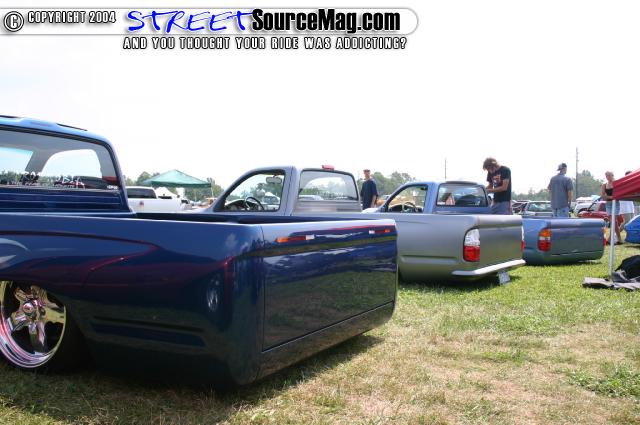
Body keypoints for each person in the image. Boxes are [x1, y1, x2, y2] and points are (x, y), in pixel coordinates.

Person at [601, 171, 623, 245]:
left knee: (613, 221)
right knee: (614, 221)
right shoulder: (604, 185)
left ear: (612, 175)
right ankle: (619, 239)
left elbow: (618, 195)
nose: (607, 177)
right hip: (608, 204)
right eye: (606, 176)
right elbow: (603, 196)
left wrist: (609, 196)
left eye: (608, 175)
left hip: (616, 203)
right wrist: (611, 197)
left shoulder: (617, 183)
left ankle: (610, 238)